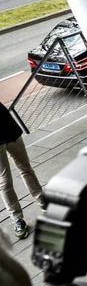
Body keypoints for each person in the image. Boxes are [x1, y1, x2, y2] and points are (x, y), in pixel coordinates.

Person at [0, 101, 43, 241]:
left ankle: (43, 201)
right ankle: (17, 219)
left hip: (8, 128)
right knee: (5, 181)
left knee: (26, 168)